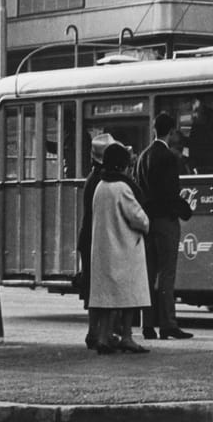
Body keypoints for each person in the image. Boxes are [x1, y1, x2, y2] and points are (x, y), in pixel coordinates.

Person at [135, 111, 194, 340]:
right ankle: (168, 324)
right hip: (165, 222)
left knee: (148, 274)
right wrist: (184, 210)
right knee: (167, 275)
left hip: (147, 223)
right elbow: (170, 193)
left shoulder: (142, 157)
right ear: (170, 132)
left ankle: (147, 325)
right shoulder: (168, 158)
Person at [89, 142, 151, 354]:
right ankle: (127, 336)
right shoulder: (122, 188)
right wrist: (146, 223)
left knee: (106, 297)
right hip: (125, 249)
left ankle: (104, 336)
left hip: (104, 250)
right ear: (123, 165)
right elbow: (138, 218)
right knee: (129, 295)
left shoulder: (101, 186)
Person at [76, 132, 115, 349]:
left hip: (88, 238)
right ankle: (98, 333)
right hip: (95, 239)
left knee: (94, 288)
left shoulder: (93, 177)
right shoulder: (101, 180)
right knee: (100, 288)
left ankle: (94, 331)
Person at [187, 98, 213, 174]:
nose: (193, 115)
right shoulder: (195, 128)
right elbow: (190, 147)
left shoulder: (199, 128)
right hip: (198, 168)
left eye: (196, 111)